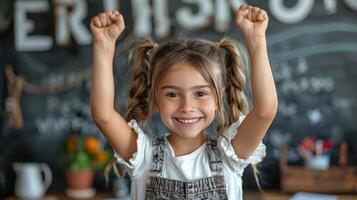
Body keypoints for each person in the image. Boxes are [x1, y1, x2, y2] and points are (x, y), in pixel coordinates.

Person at [90, 4, 277, 200]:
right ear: (155, 99)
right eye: (172, 94)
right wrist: (103, 46)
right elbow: (103, 115)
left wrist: (256, 41)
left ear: (218, 98)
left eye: (200, 93)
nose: (187, 107)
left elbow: (265, 111)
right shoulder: (143, 156)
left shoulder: (230, 157)